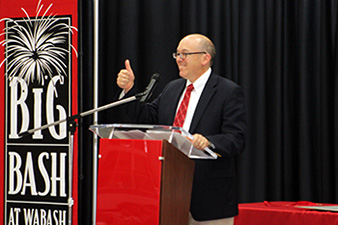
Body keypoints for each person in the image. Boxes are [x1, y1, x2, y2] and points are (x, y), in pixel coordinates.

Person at [116, 34, 247, 225]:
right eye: (177, 54)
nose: (179, 59)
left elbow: (237, 138)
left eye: (185, 54)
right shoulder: (172, 88)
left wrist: (209, 142)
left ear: (205, 58)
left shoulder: (227, 91)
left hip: (209, 200)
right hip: (169, 195)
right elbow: (146, 118)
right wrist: (128, 91)